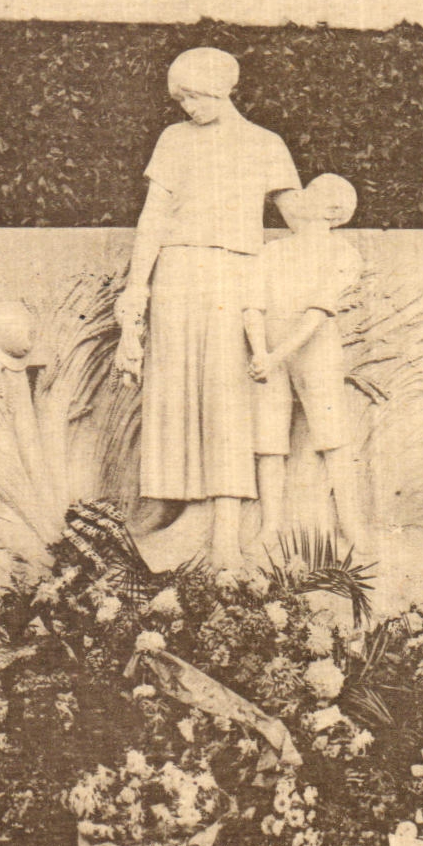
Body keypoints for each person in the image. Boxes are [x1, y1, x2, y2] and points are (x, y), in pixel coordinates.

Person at [112, 47, 301, 569]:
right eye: (181, 100)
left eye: (195, 96)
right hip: (176, 270)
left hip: (235, 272)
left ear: (222, 89)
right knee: (170, 393)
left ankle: (224, 529)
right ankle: (170, 509)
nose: (188, 107)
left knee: (226, 395)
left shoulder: (266, 144)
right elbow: (153, 217)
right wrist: (137, 286)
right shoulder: (173, 140)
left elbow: (300, 218)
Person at [244, 174, 366, 554]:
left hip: (315, 350)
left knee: (333, 436)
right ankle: (270, 527)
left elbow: (317, 314)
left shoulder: (343, 254)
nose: (299, 197)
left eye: (311, 192)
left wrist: (273, 357)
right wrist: (259, 351)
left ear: (333, 210)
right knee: (269, 440)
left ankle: (352, 525)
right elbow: (252, 305)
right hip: (268, 353)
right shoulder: (272, 252)